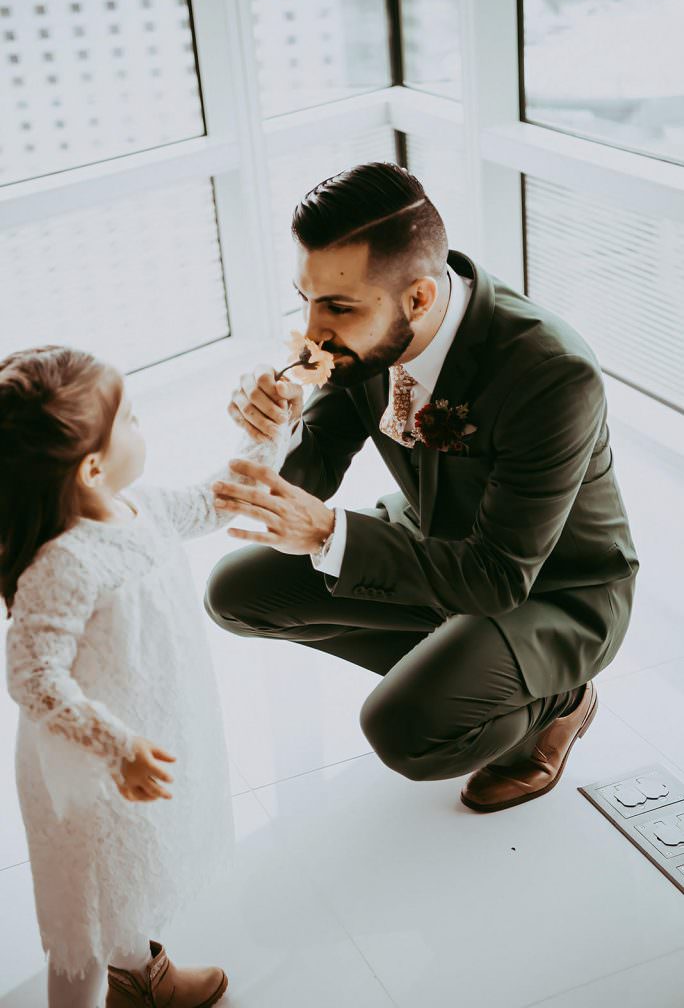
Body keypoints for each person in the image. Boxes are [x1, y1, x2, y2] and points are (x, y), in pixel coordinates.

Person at [205, 161, 640, 813]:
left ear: (419, 299)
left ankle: (561, 701)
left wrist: (329, 534)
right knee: (235, 593)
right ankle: (456, 659)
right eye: (305, 298)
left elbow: (496, 577)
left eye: (336, 306)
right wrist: (276, 427)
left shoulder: (554, 375)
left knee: (405, 729)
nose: (311, 328)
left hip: (550, 587)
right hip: (431, 538)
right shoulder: (361, 335)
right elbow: (308, 471)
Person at [1, 346, 292, 1007]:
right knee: (85, 917)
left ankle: (137, 977)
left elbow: (219, 497)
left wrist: (268, 433)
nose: (143, 424)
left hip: (148, 720)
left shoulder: (142, 508)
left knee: (130, 876)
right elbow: (33, 677)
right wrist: (118, 747)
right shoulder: (63, 563)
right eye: (130, 419)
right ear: (93, 467)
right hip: (92, 761)